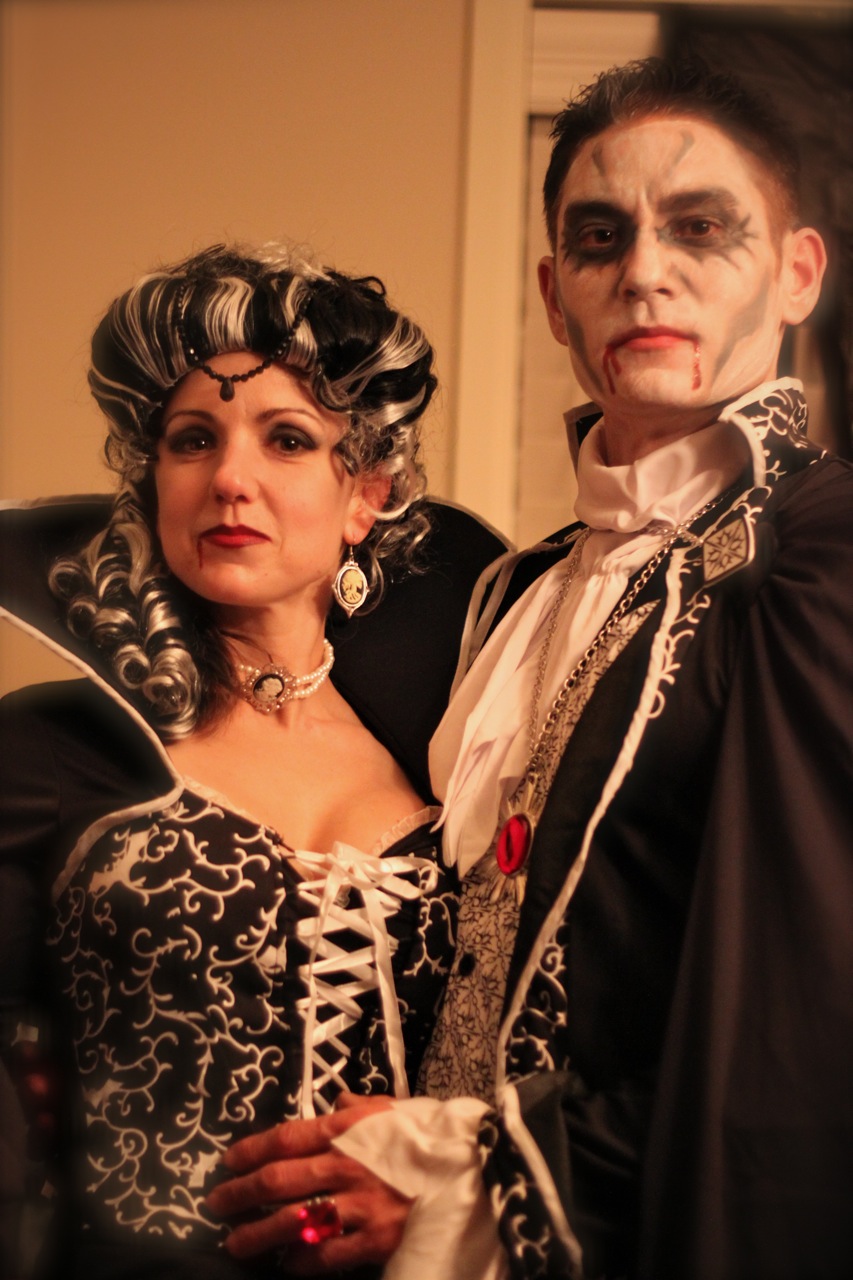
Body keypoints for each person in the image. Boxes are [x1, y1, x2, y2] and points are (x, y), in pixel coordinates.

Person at [204, 59, 853, 1280]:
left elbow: (807, 1019)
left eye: (700, 228)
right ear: (555, 296)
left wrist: (479, 1178)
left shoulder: (822, 557)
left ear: (796, 272)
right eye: (600, 237)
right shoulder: (507, 590)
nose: (644, 271)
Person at [0, 244, 506, 1279]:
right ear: (154, 482)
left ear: (366, 494)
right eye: (193, 440)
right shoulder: (47, 748)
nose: (230, 479)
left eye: (287, 439)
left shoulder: (453, 760)